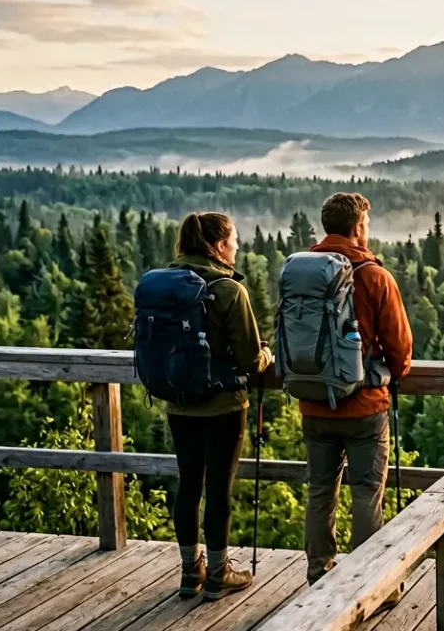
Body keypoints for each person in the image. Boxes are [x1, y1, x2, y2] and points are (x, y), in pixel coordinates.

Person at [300, 193, 413, 586]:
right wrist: (393, 374)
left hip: (314, 402)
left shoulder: (303, 273)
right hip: (364, 405)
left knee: (319, 491)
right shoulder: (374, 276)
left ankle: (318, 574)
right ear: (357, 227)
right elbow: (399, 346)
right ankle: (366, 583)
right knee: (366, 492)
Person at [165, 213, 273, 601]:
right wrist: (266, 355)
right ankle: (217, 573)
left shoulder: (166, 284)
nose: (237, 247)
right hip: (224, 405)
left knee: (188, 485)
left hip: (178, 403)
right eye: (234, 241)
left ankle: (189, 571)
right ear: (219, 245)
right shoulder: (229, 290)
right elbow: (249, 359)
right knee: (219, 489)